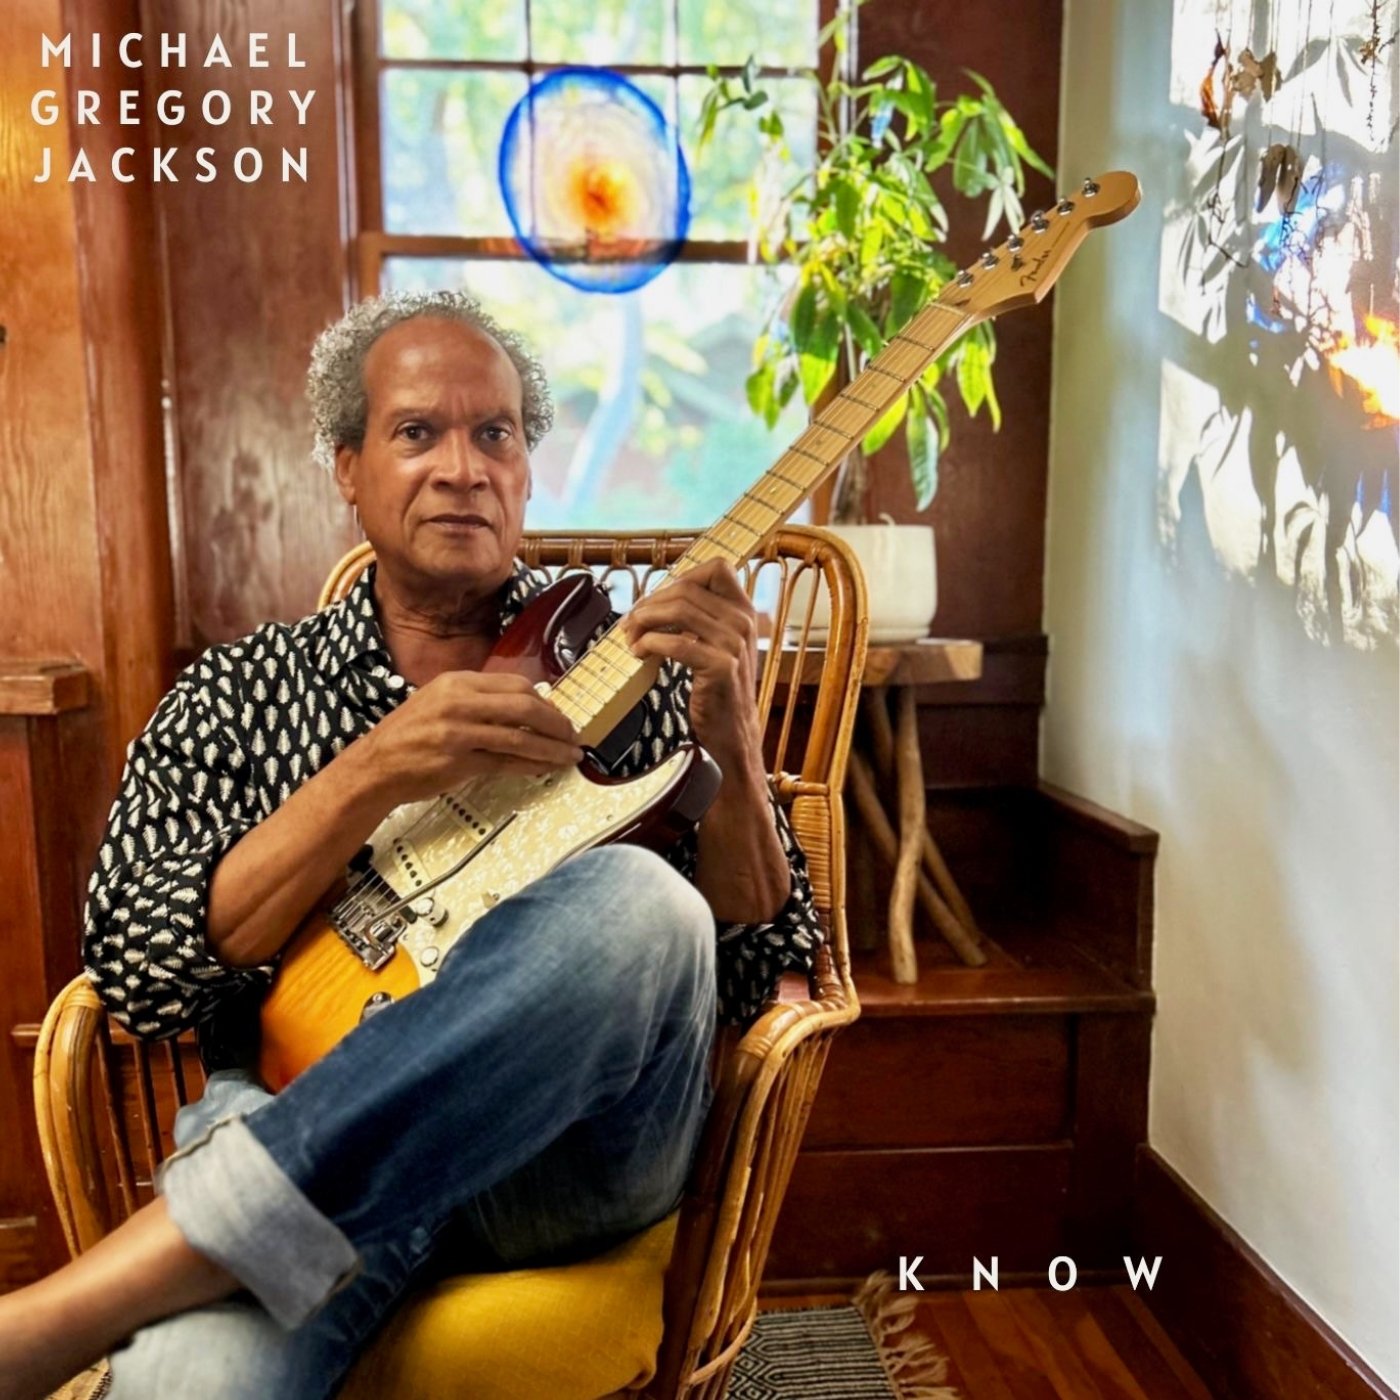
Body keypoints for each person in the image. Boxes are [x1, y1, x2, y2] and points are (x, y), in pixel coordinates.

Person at [0, 291, 822, 1400]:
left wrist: (728, 730)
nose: (462, 469)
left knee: (644, 902)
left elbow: (758, 957)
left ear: (526, 473)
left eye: (495, 435)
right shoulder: (240, 693)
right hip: (297, 1108)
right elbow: (135, 967)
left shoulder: (638, 678)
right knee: (197, 1376)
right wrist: (372, 771)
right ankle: (214, 1255)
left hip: (561, 1165)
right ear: (347, 467)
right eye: (417, 431)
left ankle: (93, 1301)